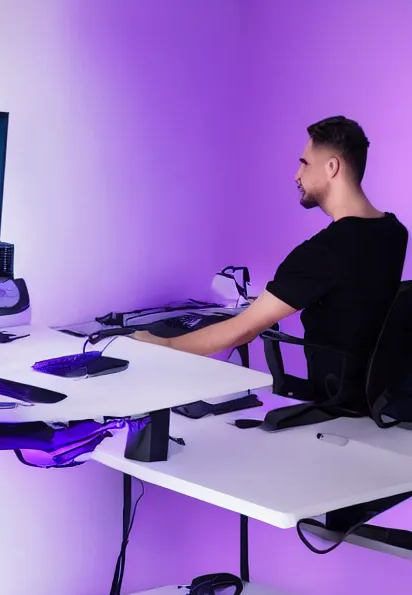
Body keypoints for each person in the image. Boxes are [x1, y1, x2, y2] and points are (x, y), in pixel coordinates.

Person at [135, 116, 408, 406]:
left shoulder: (324, 251)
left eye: (304, 163)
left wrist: (165, 345)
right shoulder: (394, 232)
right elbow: (354, 294)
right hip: (378, 402)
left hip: (336, 406)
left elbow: (244, 329)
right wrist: (273, 297)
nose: (296, 175)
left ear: (332, 167)